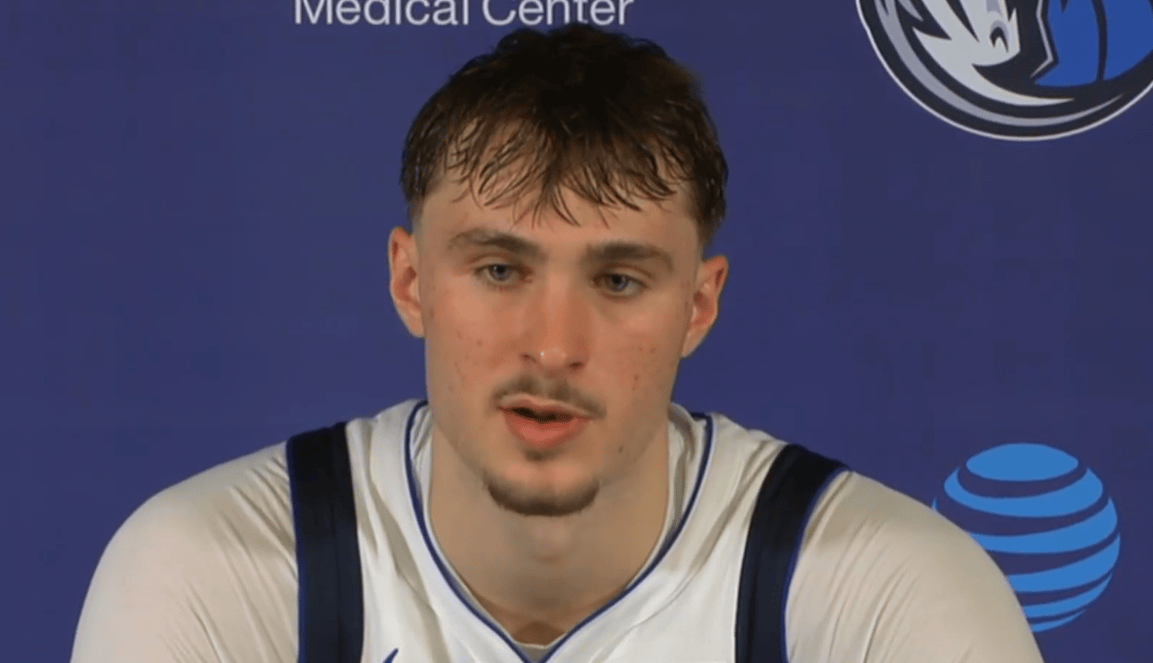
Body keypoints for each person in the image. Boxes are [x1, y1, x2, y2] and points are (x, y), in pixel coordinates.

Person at [70, 23, 1046, 663]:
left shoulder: (887, 591)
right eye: (500, 269)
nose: (551, 345)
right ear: (411, 281)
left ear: (698, 307)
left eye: (618, 281)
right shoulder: (213, 571)